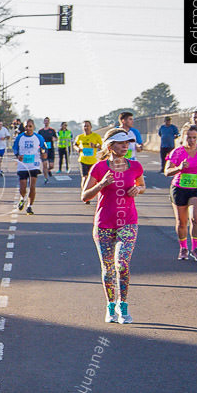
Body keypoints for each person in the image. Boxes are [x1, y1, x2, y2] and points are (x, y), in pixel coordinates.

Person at [81, 128, 146, 323]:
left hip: (128, 222)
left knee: (122, 263)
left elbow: (142, 185)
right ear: (110, 146)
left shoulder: (135, 166)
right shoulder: (99, 168)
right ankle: (110, 307)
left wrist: (138, 189)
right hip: (104, 224)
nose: (125, 146)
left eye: (127, 143)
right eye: (120, 143)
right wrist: (101, 184)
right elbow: (85, 196)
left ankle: (123, 305)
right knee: (108, 268)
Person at [164, 124, 197, 261]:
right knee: (182, 222)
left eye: (194, 137)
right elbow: (167, 172)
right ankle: (183, 248)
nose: (191, 140)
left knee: (196, 219)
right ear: (183, 137)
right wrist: (179, 168)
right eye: (188, 137)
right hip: (179, 188)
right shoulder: (177, 152)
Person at [13, 119, 46, 214]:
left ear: (33, 127)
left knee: (32, 186)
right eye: (26, 126)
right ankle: (23, 198)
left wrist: (44, 153)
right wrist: (18, 155)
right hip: (23, 165)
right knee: (22, 188)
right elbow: (15, 148)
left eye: (30, 126)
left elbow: (44, 148)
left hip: (34, 165)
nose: (28, 128)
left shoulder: (38, 137)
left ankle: (30, 206)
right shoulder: (20, 137)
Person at [75, 120, 103, 202]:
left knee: (94, 179)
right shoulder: (80, 137)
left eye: (87, 126)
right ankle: (84, 194)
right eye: (84, 126)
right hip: (83, 159)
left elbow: (101, 146)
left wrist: (95, 145)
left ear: (91, 127)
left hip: (93, 160)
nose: (86, 128)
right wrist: (77, 149)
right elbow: (75, 144)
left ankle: (94, 194)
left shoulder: (96, 136)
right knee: (85, 177)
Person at [37, 118, 58, 182]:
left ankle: (49, 170)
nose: (46, 122)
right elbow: (38, 139)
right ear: (43, 122)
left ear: (49, 122)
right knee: (44, 164)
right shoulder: (41, 131)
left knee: (51, 166)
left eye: (47, 121)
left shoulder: (52, 130)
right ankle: (46, 178)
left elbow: (56, 138)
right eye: (45, 121)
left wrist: (54, 139)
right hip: (43, 149)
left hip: (51, 149)